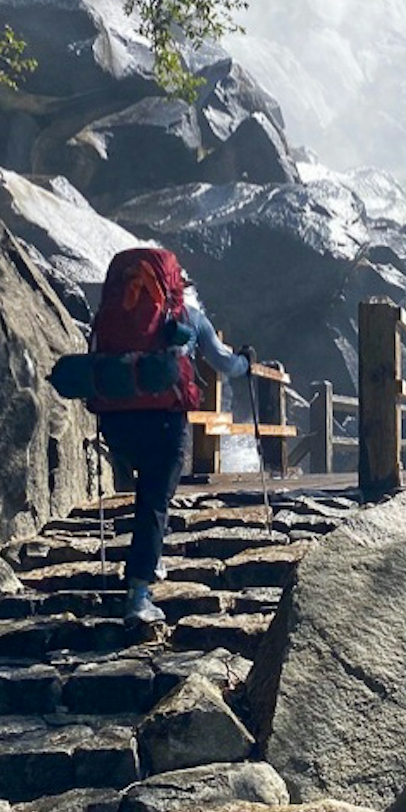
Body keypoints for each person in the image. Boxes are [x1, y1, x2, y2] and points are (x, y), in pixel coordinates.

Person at [95, 263, 252, 624]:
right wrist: (246, 360)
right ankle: (138, 596)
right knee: (153, 502)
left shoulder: (111, 316)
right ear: (178, 287)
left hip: (116, 423)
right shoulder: (189, 318)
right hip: (163, 422)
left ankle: (151, 557)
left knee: (143, 492)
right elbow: (225, 364)